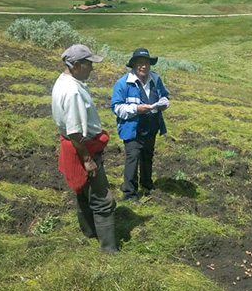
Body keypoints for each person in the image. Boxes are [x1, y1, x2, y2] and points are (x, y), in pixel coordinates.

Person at [51, 44, 117, 253]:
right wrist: (88, 159)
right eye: (89, 64)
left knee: (83, 192)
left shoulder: (64, 82)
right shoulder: (72, 92)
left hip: (77, 146)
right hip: (83, 148)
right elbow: (75, 132)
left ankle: (89, 234)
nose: (92, 68)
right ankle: (109, 250)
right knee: (101, 198)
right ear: (76, 65)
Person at [111, 48, 170, 202]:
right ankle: (129, 194)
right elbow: (116, 108)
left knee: (147, 156)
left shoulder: (156, 79)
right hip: (132, 128)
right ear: (134, 65)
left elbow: (164, 96)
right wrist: (136, 109)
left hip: (151, 126)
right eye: (140, 63)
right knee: (133, 158)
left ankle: (147, 184)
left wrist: (164, 104)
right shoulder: (123, 83)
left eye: (146, 63)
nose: (144, 66)